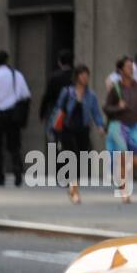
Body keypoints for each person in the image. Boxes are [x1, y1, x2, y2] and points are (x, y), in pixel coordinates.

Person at [49, 64, 104, 204]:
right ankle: (75, 191)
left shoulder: (91, 95)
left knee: (80, 160)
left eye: (87, 75)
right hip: (67, 129)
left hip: (83, 130)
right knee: (72, 157)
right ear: (77, 76)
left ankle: (73, 186)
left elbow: (96, 112)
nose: (85, 78)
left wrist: (100, 126)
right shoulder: (67, 92)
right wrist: (53, 126)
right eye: (83, 75)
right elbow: (58, 109)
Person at [102, 55, 137, 203]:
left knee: (136, 161)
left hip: (134, 127)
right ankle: (124, 192)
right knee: (124, 157)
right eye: (128, 67)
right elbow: (106, 108)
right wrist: (118, 107)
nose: (131, 69)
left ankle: (127, 177)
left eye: (132, 67)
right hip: (119, 126)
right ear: (121, 70)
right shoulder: (115, 88)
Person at [0, 50, 31, 186]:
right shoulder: (17, 75)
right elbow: (25, 94)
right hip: (13, 114)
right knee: (14, 145)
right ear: (7, 59)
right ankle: (17, 172)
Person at [39, 49, 73, 137]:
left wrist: (42, 113)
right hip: (72, 111)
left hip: (56, 111)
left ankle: (53, 150)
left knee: (53, 135)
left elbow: (47, 96)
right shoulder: (75, 76)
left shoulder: (54, 77)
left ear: (59, 62)